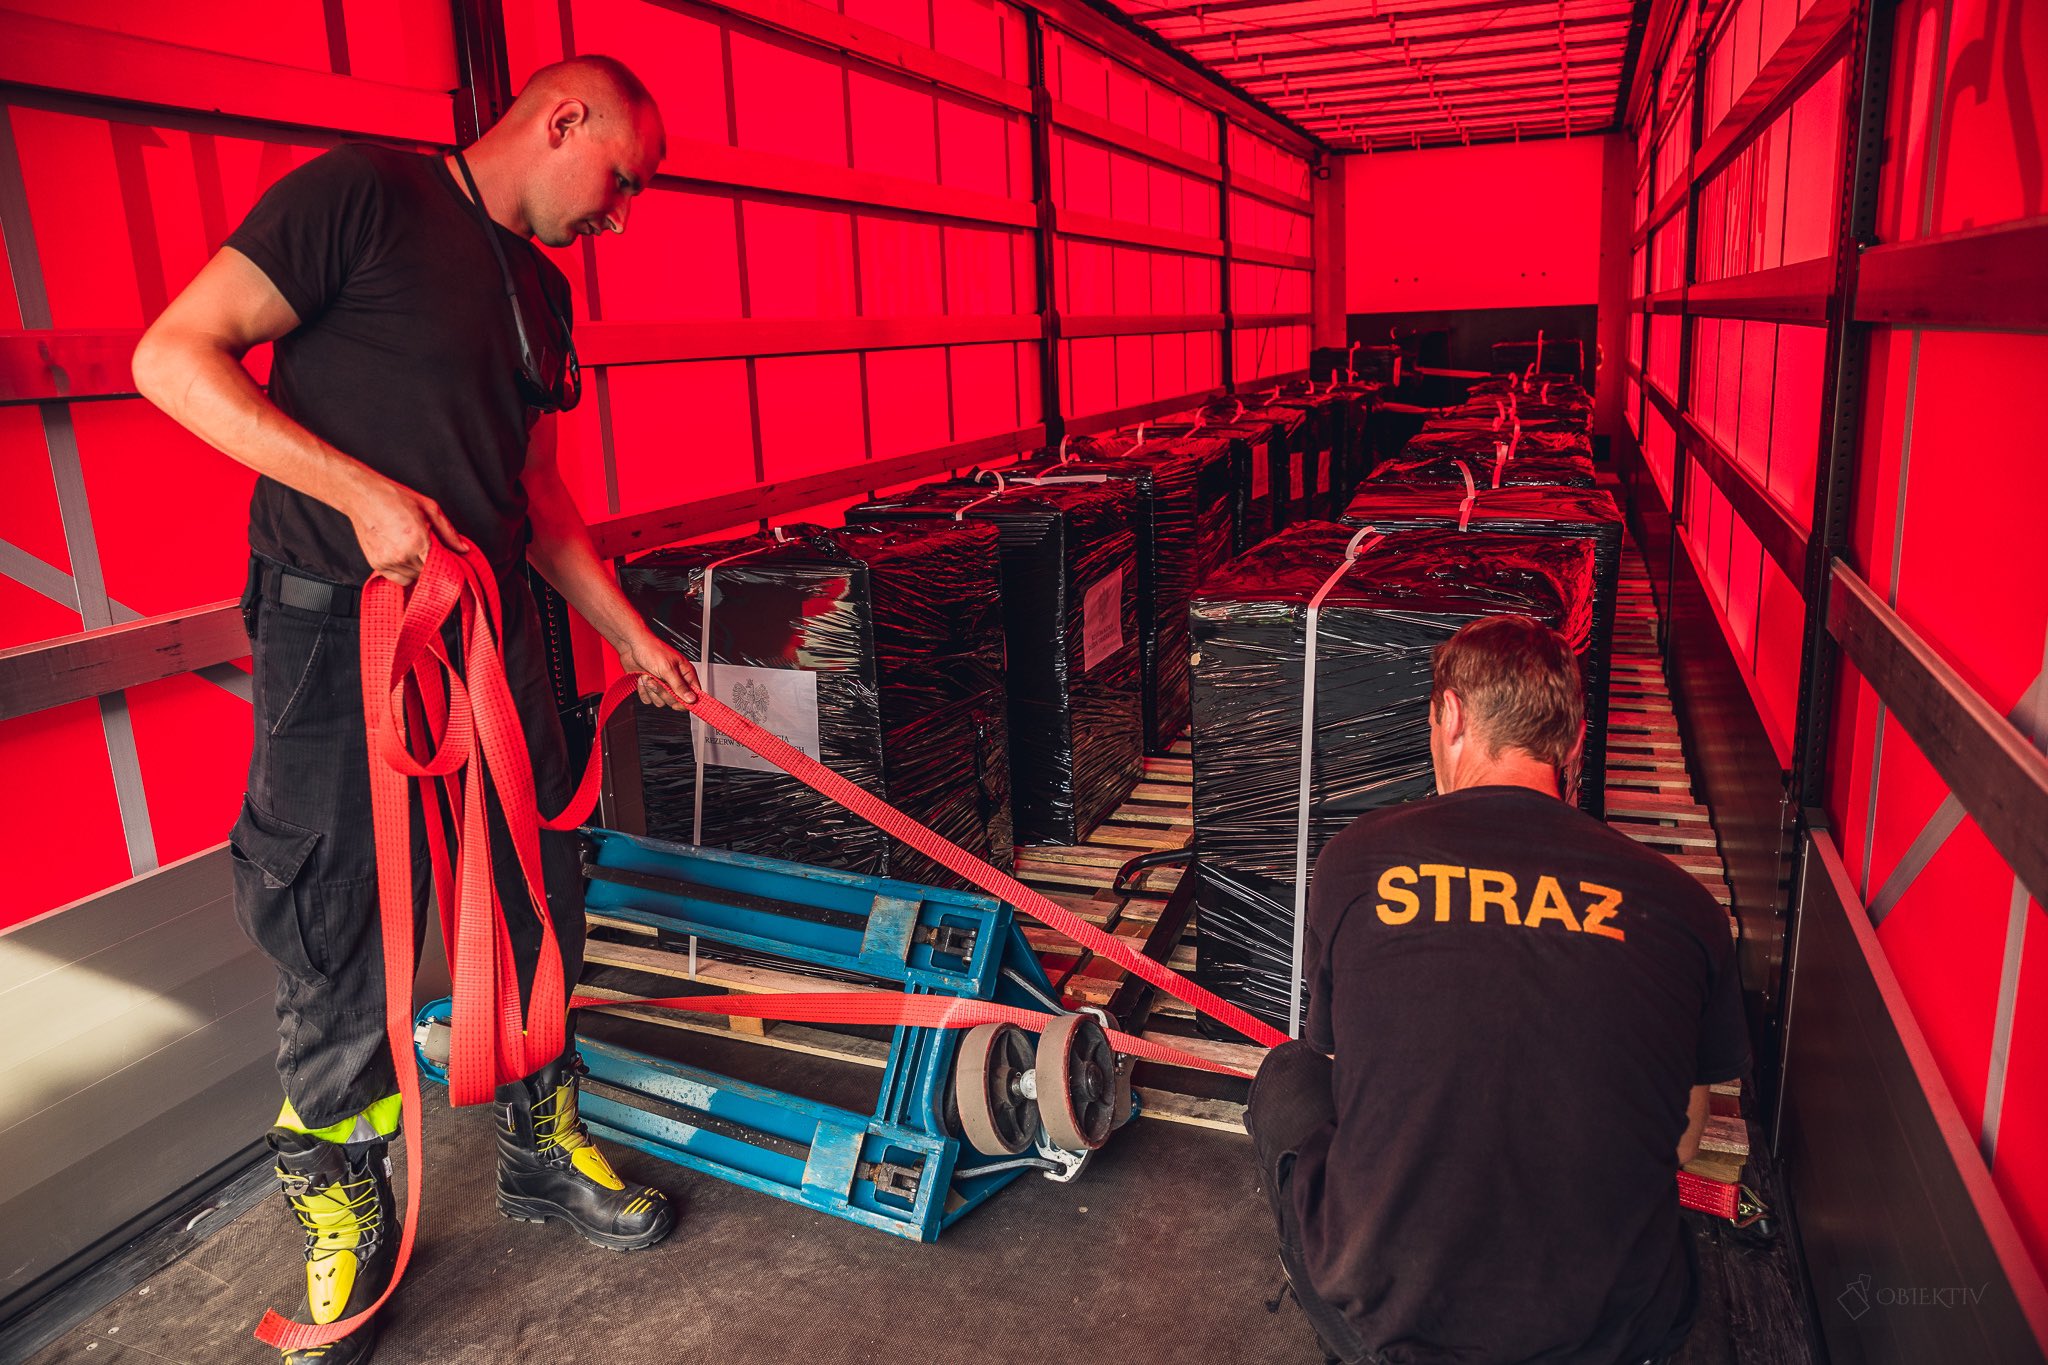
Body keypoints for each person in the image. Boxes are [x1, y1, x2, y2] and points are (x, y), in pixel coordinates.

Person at [131, 55, 701, 1365]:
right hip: (338, 629)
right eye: (620, 180)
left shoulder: (539, 291)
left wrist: (629, 633)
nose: (619, 216)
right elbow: (172, 355)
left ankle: (541, 1143)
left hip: (494, 633)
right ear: (562, 119)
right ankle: (347, 1211)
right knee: (331, 908)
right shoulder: (360, 198)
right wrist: (359, 496)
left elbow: (534, 492)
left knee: (535, 886)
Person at [1243, 614, 1748, 1365]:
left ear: (1450, 716)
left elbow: (1344, 1064)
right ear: (1573, 743)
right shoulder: (1682, 904)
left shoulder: (1357, 859)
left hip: (1390, 1323)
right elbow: (1682, 1137)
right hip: (1613, 1331)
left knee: (1290, 1072)